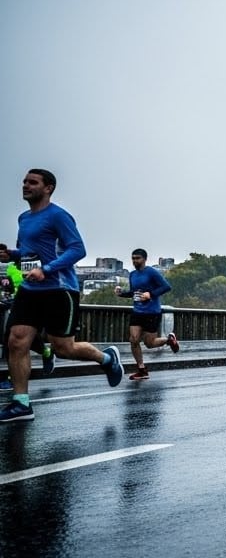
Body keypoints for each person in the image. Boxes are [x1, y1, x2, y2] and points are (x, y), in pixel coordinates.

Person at [1, 169, 123, 423]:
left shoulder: (58, 215)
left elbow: (77, 249)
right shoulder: (24, 218)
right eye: (24, 181)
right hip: (30, 290)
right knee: (16, 341)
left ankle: (107, 359)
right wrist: (11, 254)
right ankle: (21, 403)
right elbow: (30, 252)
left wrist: (46, 270)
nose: (25, 185)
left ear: (48, 188)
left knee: (64, 348)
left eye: (32, 182)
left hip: (59, 289)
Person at [115, 248, 179, 381]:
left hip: (152, 312)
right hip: (137, 311)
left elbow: (166, 287)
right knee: (134, 340)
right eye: (133, 258)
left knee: (150, 343)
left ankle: (169, 340)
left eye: (138, 258)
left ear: (144, 259)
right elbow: (134, 292)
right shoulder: (132, 274)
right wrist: (121, 293)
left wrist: (151, 294)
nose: (135, 261)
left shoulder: (151, 272)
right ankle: (141, 369)